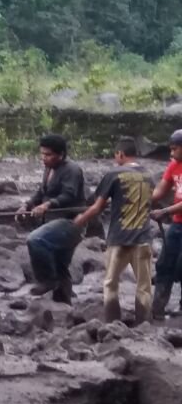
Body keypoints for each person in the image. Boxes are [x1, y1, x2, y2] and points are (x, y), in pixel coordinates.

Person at [73, 137, 154, 323]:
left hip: (118, 238)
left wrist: (80, 219)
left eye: (115, 155)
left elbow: (97, 206)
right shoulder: (148, 175)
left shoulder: (114, 174)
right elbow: (152, 200)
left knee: (110, 283)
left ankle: (112, 323)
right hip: (143, 239)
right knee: (144, 286)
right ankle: (143, 324)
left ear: (120, 154)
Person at [16, 135, 86, 304]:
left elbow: (68, 195)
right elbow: (41, 192)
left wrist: (47, 205)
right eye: (42, 154)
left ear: (60, 155)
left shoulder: (72, 170)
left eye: (48, 155)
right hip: (52, 222)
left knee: (35, 240)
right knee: (60, 265)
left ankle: (46, 281)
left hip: (71, 222)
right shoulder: (49, 169)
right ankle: (64, 306)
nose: (43, 158)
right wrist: (27, 205)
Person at [150, 130, 182, 318]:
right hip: (178, 224)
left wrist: (165, 212)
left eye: (174, 149)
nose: (171, 153)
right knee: (164, 264)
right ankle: (157, 310)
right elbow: (159, 191)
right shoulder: (173, 166)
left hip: (174, 216)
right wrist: (143, 201)